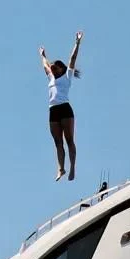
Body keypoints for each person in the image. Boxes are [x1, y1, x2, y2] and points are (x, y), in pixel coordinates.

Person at [40, 31, 83, 181]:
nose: (52, 69)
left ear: (62, 69)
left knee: (69, 140)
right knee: (58, 142)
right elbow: (45, 65)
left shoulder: (67, 76)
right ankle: (61, 169)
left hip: (65, 108)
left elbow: (72, 58)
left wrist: (77, 42)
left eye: (55, 68)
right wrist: (43, 55)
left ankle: (72, 168)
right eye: (52, 68)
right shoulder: (51, 78)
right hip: (53, 110)